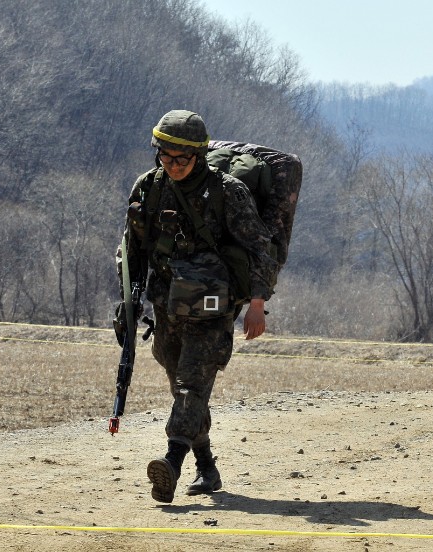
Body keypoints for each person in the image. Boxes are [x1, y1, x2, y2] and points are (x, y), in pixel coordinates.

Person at [116, 110, 277, 503]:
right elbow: (132, 248)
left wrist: (257, 304)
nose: (172, 166)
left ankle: (170, 463)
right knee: (181, 386)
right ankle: (207, 466)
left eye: (181, 160)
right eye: (165, 157)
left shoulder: (228, 192)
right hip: (166, 303)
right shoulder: (148, 188)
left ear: (199, 156)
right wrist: (127, 302)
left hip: (213, 307)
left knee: (192, 385)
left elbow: (261, 248)